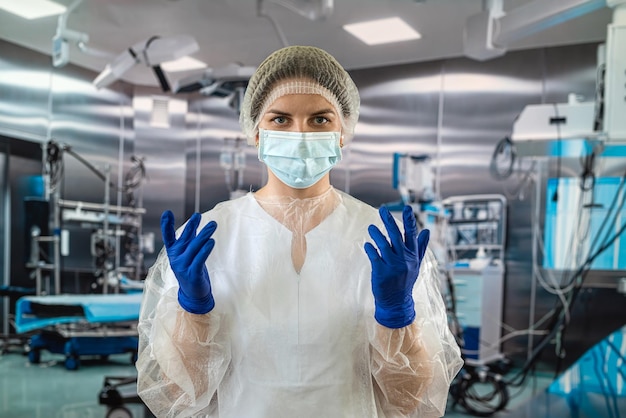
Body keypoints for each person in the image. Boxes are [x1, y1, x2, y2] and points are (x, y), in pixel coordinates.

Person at [136, 45, 462, 418]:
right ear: (255, 132)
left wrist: (396, 314)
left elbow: (414, 400)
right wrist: (194, 312)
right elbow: (177, 394)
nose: (301, 134)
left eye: (320, 120)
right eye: (280, 119)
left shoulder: (382, 241)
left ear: (343, 132)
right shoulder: (209, 239)